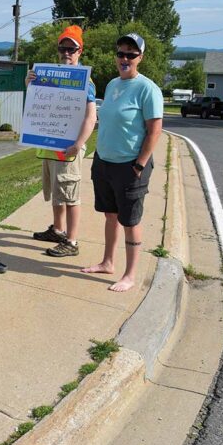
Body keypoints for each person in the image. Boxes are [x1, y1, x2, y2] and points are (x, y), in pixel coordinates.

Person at [81, 33, 163, 292]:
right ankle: (108, 262)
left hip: (130, 166)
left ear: (140, 57)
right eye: (121, 53)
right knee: (110, 214)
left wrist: (139, 164)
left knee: (130, 221)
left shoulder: (148, 89)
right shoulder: (113, 84)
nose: (125, 58)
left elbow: (154, 131)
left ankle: (129, 275)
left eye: (131, 54)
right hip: (104, 161)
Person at [26, 25, 97, 257]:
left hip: (70, 148)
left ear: (80, 51)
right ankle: (58, 230)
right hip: (50, 146)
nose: (67, 52)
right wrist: (30, 84)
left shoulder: (85, 81)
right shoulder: (49, 76)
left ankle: (72, 241)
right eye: (63, 48)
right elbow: (40, 105)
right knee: (57, 191)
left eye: (72, 48)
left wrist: (78, 144)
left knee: (70, 193)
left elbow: (90, 116)